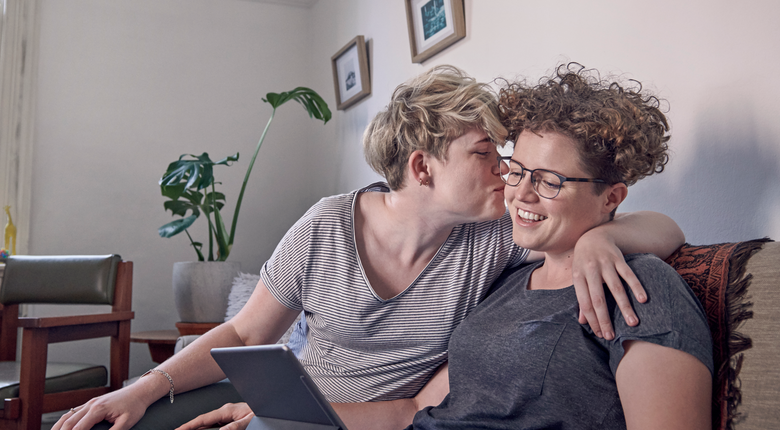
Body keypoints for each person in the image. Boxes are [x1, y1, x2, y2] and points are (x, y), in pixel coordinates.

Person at [55, 66, 685, 430]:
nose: (508, 174)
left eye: (515, 161)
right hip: (290, 405)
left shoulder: (501, 236)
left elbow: (658, 230)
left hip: (360, 420)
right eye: (489, 156)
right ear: (422, 166)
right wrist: (138, 389)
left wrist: (607, 233)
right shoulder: (326, 225)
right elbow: (247, 336)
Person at [407, 64, 714, 429]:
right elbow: (418, 406)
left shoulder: (640, 286)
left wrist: (602, 238)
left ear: (610, 198)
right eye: (517, 171)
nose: (520, 194)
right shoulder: (508, 280)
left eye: (549, 181)